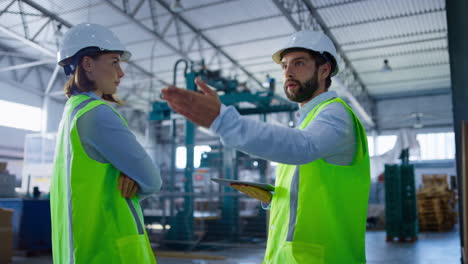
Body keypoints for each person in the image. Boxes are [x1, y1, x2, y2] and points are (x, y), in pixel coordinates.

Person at [162, 30, 370, 264]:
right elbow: (308, 186)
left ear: (324, 70)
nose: (288, 72)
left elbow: (303, 147)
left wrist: (224, 122)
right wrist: (274, 196)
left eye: (299, 63)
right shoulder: (307, 120)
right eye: (284, 66)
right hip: (288, 255)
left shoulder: (336, 113)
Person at [51, 23, 162, 264]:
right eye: (114, 62)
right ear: (88, 64)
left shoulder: (71, 114)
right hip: (108, 250)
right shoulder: (97, 114)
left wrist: (128, 176)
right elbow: (152, 180)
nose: (121, 72)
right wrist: (134, 179)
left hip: (79, 251)